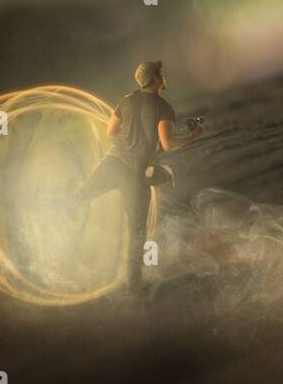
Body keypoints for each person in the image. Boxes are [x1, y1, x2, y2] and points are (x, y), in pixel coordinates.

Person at [73, 60, 203, 292]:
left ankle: (52, 234)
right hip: (136, 173)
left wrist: (131, 139)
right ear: (155, 78)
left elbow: (110, 131)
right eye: (161, 73)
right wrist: (192, 137)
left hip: (112, 163)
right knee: (137, 229)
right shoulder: (163, 108)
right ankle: (134, 283)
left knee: (79, 197)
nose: (164, 76)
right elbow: (167, 143)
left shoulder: (126, 100)